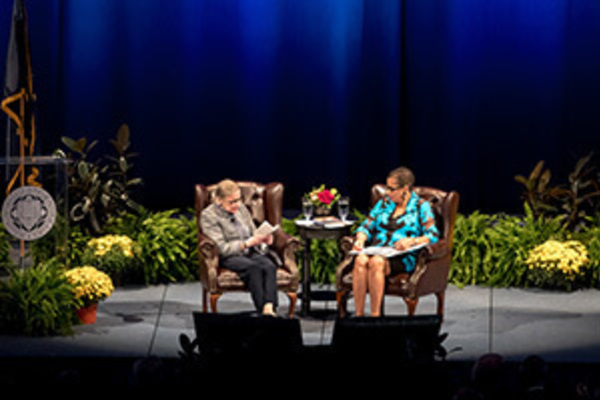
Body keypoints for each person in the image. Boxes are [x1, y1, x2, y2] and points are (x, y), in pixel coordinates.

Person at [351, 167, 440, 316]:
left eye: (392, 189)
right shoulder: (384, 203)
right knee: (360, 259)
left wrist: (412, 241)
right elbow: (366, 225)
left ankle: (375, 317)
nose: (387, 192)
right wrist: (360, 239)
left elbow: (432, 235)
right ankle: (359, 316)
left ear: (405, 188)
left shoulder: (420, 206)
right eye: (387, 188)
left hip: (402, 255)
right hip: (379, 249)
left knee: (377, 262)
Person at [200, 179, 280, 316]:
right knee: (254, 268)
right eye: (232, 202)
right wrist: (247, 243)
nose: (237, 205)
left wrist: (263, 239)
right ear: (219, 200)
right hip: (230, 256)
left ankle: (269, 307)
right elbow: (222, 248)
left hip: (250, 251)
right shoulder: (209, 216)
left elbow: (252, 231)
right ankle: (264, 311)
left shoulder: (241, 208)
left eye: (239, 200)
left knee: (269, 266)